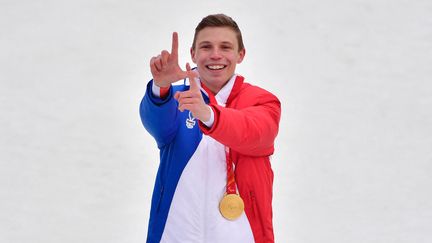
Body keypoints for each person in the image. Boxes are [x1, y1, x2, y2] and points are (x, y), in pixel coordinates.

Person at [140, 14, 281, 243]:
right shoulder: (176, 97)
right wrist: (160, 86)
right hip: (174, 234)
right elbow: (157, 124)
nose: (216, 54)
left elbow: (256, 133)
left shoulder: (263, 101)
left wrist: (207, 114)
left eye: (225, 47)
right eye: (206, 46)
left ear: (240, 54)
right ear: (194, 53)